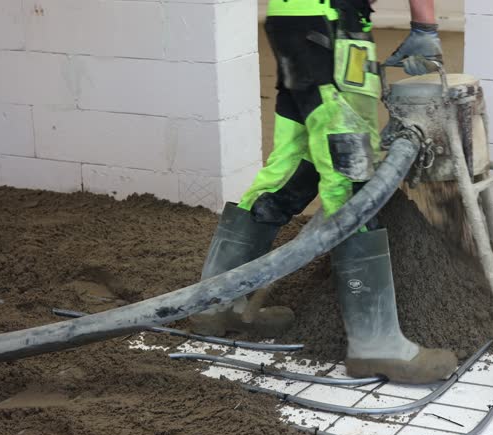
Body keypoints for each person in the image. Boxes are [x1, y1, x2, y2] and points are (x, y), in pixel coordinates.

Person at [189, 0, 457, 384]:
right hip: (329, 25)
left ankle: (215, 302)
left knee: (295, 166)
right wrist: (425, 27)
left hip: (294, 22)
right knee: (348, 172)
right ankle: (375, 343)